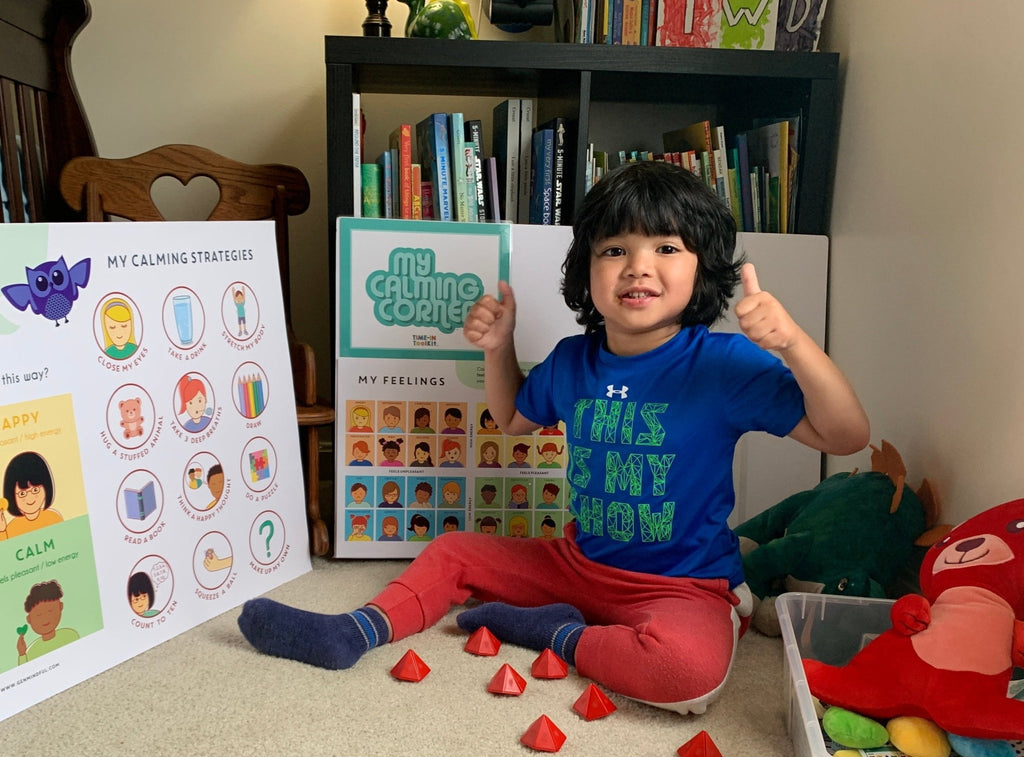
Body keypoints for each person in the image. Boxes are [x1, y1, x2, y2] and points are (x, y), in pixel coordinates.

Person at [238, 161, 868, 714]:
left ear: (702, 268)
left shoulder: (724, 364)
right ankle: (354, 631)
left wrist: (793, 344)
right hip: (575, 565)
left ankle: (553, 634)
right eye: (614, 249)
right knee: (455, 551)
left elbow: (845, 435)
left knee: (686, 676)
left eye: (666, 248)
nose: (638, 267)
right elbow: (512, 420)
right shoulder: (573, 360)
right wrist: (497, 347)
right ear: (588, 270)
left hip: (683, 586)